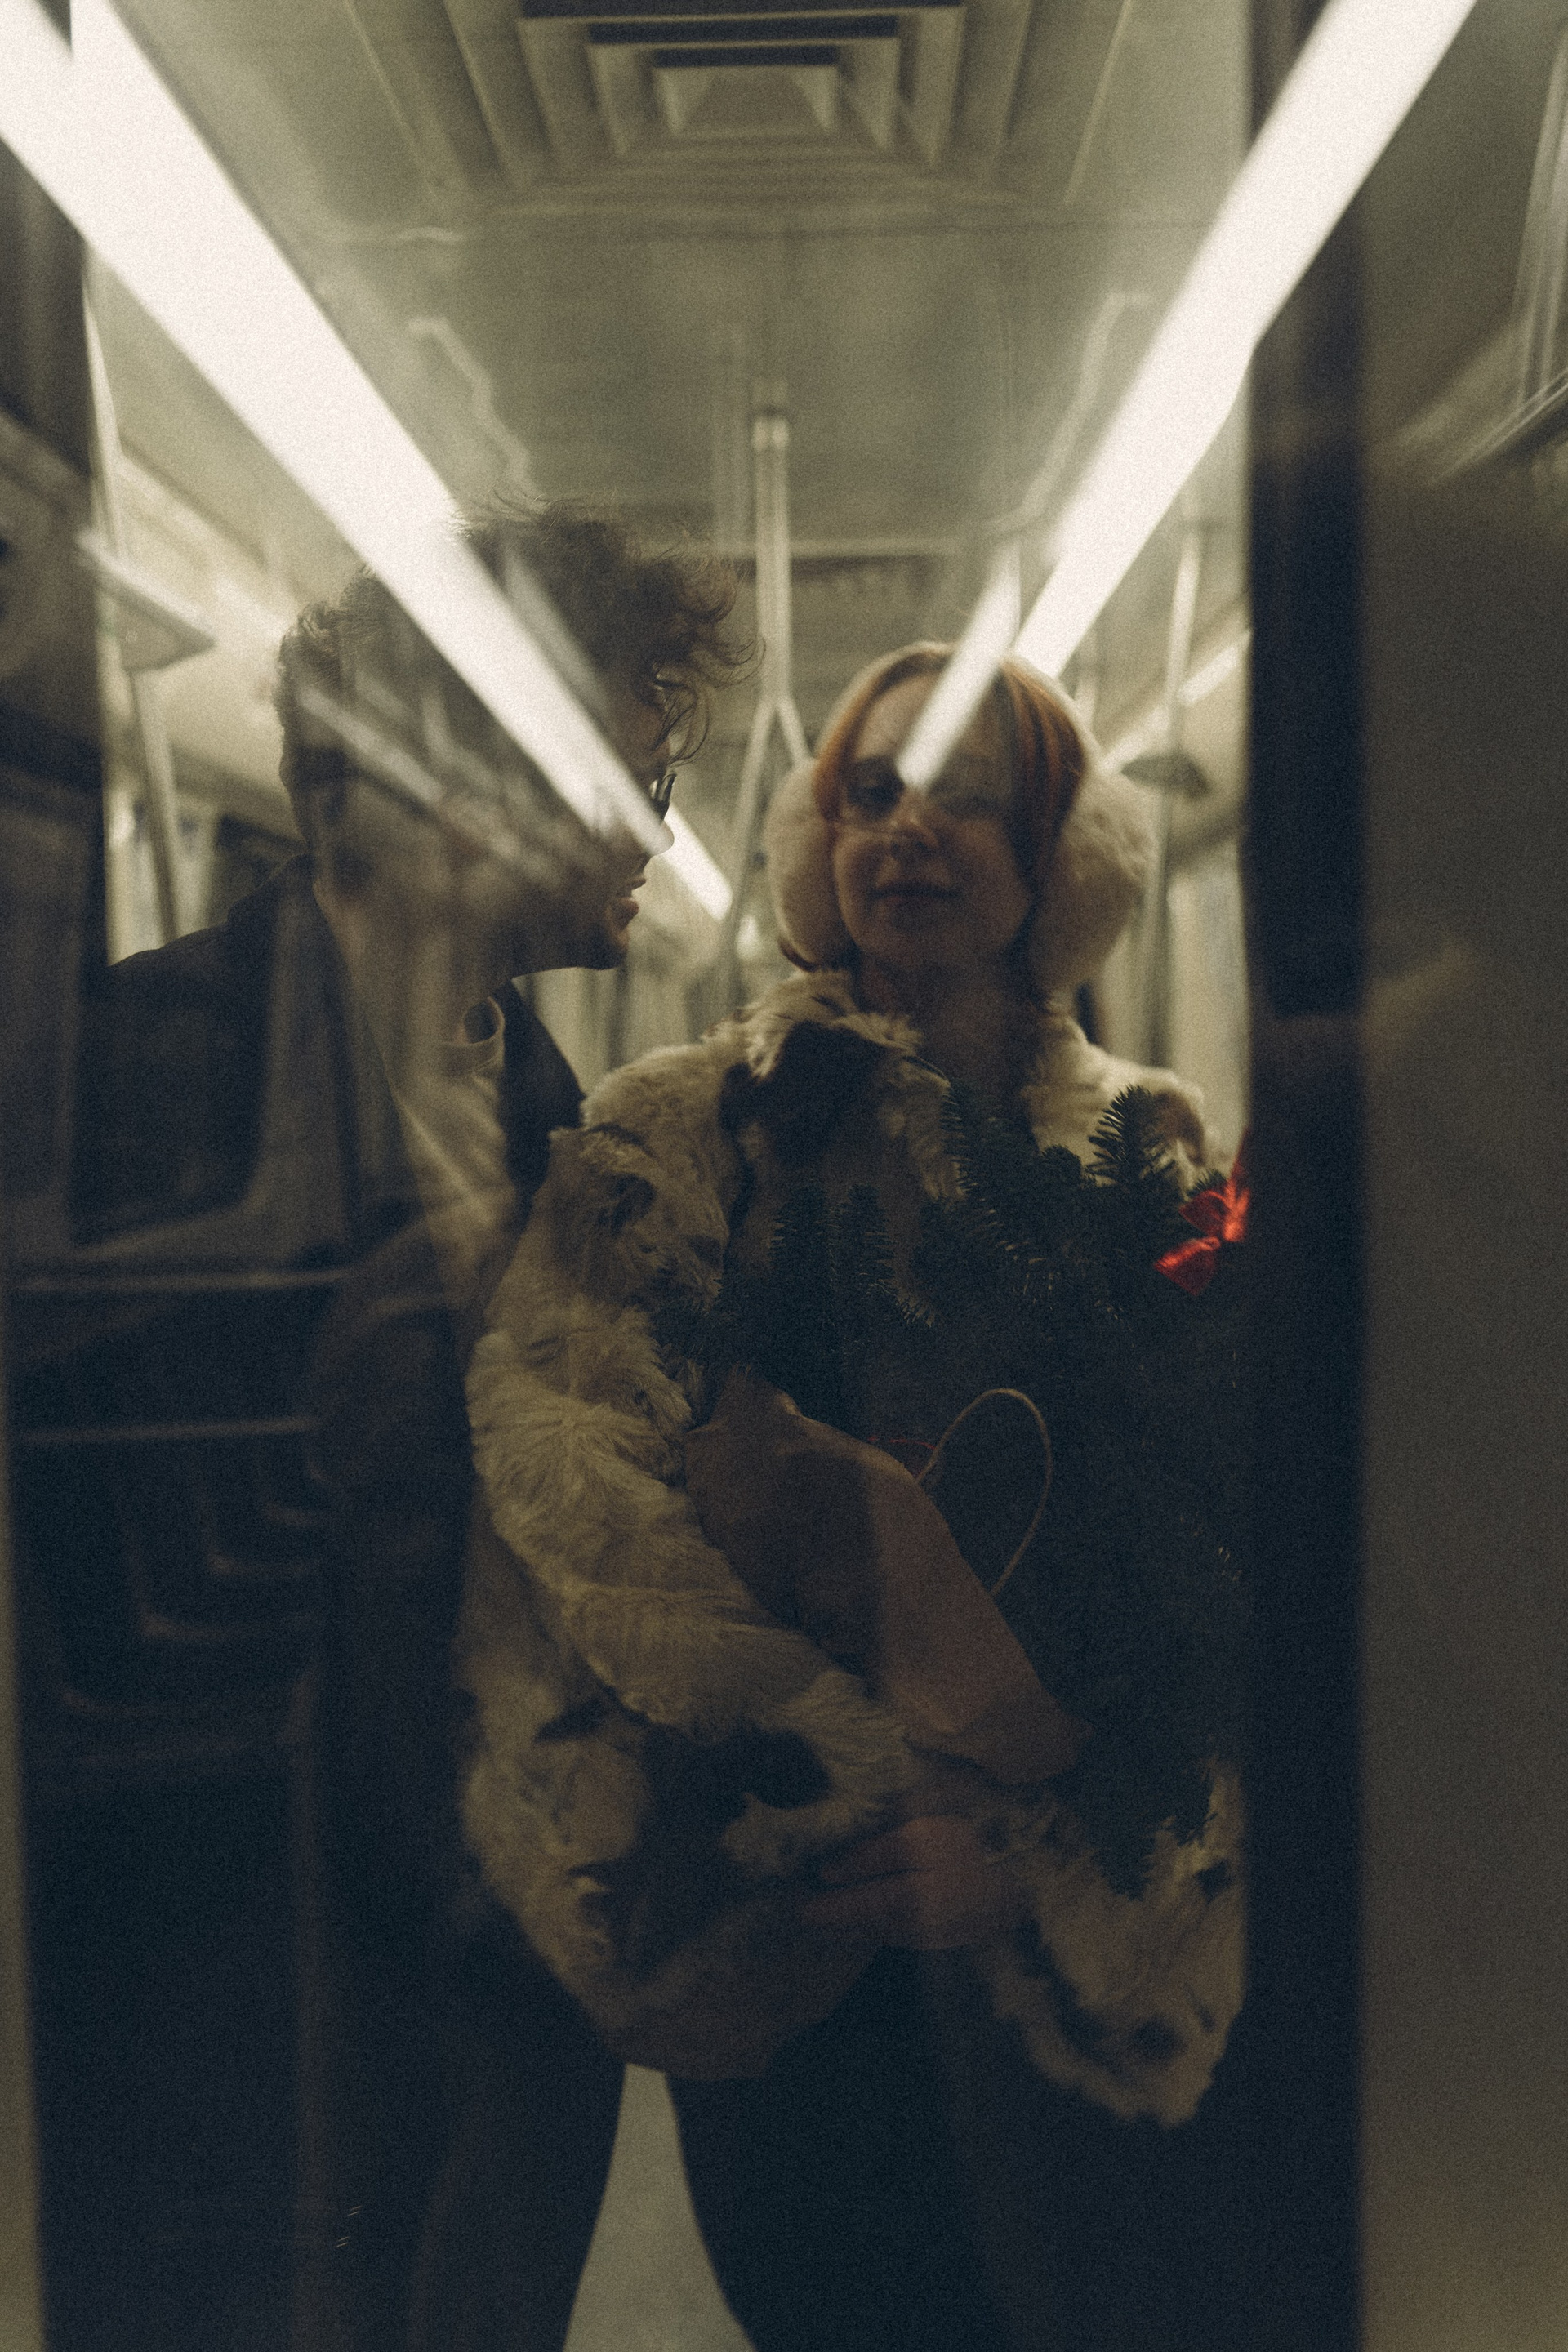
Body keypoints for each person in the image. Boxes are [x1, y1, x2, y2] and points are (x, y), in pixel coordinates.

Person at [457, 643, 1249, 2350]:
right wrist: (844, 1776)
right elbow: (570, 1487)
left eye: (972, 798)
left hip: (1061, 1935)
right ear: (821, 847)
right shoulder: (685, 1131)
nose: (910, 831)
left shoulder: (1156, 1151)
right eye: (873, 793)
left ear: (1063, 860)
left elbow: (1219, 1546)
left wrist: (1040, 1851)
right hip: (789, 1910)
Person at [72, 501, 750, 2352]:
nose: (659, 833)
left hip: (498, 1976)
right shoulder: (154, 1068)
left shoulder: (551, 1107)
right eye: (636, 773)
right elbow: (110, 1604)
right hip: (256, 1982)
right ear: (480, 770)